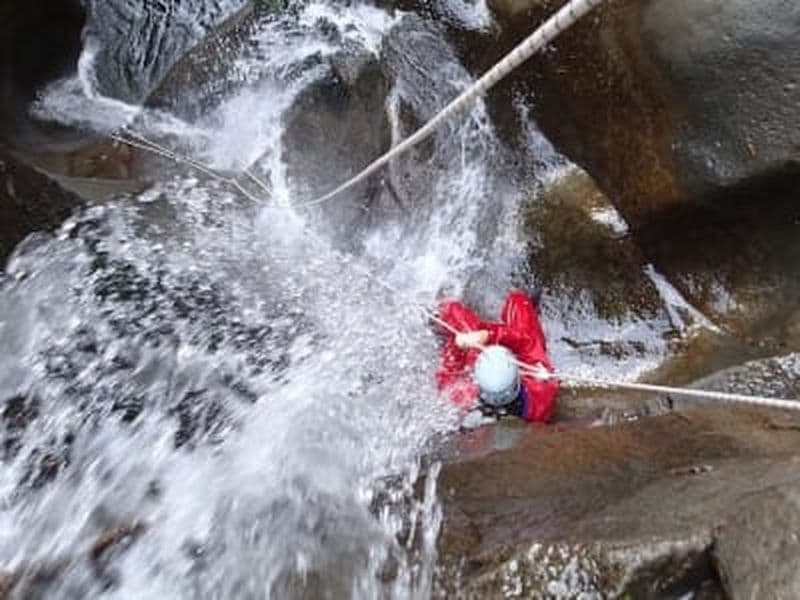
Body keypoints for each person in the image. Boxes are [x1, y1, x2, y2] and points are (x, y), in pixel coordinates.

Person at [435, 289, 558, 422]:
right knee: (519, 302)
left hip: (476, 357)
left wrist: (456, 346)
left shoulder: (462, 398)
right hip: (509, 361)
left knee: (462, 322)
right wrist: (488, 335)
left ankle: (439, 305)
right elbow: (527, 343)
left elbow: (448, 371)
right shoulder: (541, 391)